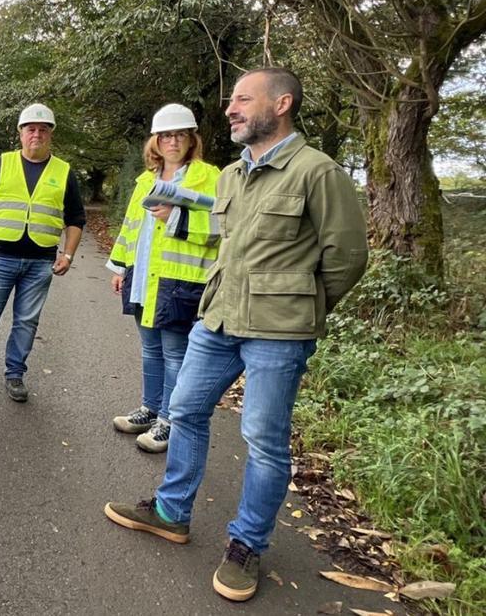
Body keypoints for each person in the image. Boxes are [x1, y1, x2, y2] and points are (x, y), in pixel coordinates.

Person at [104, 68, 368, 602]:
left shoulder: (318, 173)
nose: (231, 110)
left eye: (244, 100)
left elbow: (347, 258)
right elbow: (225, 244)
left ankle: (246, 545)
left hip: (279, 332)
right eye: (231, 102)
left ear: (283, 103)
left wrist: (302, 308)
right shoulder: (230, 176)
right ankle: (171, 513)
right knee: (184, 409)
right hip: (218, 319)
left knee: (265, 443)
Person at [0, 103, 85, 402]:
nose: (37, 134)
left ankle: (15, 375)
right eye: (31, 129)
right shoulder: (2, 163)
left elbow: (76, 218)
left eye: (43, 130)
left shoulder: (64, 172)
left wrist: (69, 255)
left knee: (26, 321)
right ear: (21, 133)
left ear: (50, 135)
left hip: (41, 261)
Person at [107, 104, 221, 453]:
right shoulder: (146, 180)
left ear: (191, 139)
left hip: (181, 281)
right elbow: (132, 228)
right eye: (166, 135)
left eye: (180, 134)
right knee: (150, 350)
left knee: (175, 354)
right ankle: (150, 409)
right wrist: (121, 267)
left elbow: (223, 228)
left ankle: (169, 422)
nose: (173, 141)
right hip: (143, 279)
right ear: (155, 142)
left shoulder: (211, 178)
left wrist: (176, 217)